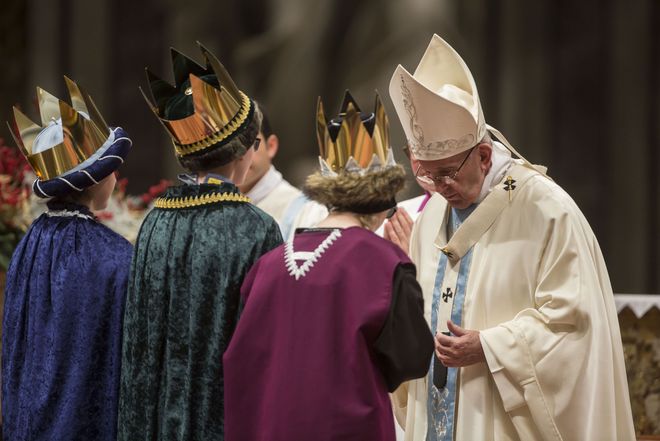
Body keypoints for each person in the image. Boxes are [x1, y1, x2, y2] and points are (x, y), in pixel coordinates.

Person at [387, 34, 635, 441]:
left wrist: (490, 347)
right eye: (426, 173)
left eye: (447, 172)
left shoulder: (546, 210)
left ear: (483, 156)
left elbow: (575, 328)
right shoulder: (432, 211)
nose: (437, 186)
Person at [223, 92, 434, 441]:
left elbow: (242, 362)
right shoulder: (385, 262)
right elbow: (411, 360)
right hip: (348, 428)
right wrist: (411, 265)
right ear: (383, 201)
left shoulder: (269, 264)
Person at [117, 43, 283, 441]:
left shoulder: (155, 219)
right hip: (224, 421)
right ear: (244, 150)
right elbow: (267, 344)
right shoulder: (257, 228)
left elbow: (137, 343)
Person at [2, 77, 133, 441]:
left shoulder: (29, 244)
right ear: (96, 180)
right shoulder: (115, 257)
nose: (116, 177)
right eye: (111, 169)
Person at [238, 101, 327, 240]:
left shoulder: (308, 212)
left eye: (248, 142)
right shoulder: (206, 208)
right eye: (229, 146)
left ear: (271, 146)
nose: (239, 154)